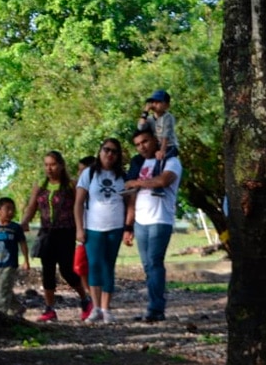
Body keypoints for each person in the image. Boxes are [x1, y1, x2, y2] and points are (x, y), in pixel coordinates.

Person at [22, 151, 94, 322]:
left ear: (61, 166)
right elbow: (32, 207)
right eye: (46, 165)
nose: (49, 168)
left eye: (53, 164)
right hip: (47, 233)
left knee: (67, 270)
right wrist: (24, 222)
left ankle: (85, 300)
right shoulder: (40, 186)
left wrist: (82, 229)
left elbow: (81, 207)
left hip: (66, 232)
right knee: (47, 271)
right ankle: (49, 309)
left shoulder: (71, 186)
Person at [124, 129, 183, 322]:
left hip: (160, 219)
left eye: (145, 141)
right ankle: (152, 305)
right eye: (138, 144)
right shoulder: (139, 164)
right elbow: (131, 195)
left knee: (155, 262)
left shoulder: (170, 161)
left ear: (155, 141)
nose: (142, 147)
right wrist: (128, 225)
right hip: (141, 221)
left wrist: (138, 183)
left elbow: (163, 180)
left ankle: (156, 308)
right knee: (147, 265)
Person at [75, 138, 131, 324]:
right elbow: (78, 203)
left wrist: (128, 228)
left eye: (114, 151)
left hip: (115, 227)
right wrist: (79, 228)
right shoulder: (89, 174)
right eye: (106, 150)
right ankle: (95, 307)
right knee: (94, 265)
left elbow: (129, 202)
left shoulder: (122, 176)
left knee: (109, 266)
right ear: (100, 152)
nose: (110, 154)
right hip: (93, 227)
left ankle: (107, 309)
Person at [0, 197, 30, 315]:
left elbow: (23, 244)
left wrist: (26, 260)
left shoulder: (15, 228)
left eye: (13, 210)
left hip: (10, 264)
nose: (10, 212)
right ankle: (18, 307)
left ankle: (1, 313)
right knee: (5, 288)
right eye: (7, 209)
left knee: (1, 290)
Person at [137, 89, 178, 196]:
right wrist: (145, 111)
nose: (155, 104)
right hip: (158, 147)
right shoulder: (150, 119)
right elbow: (140, 127)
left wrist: (162, 151)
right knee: (152, 163)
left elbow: (166, 135)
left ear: (166, 105)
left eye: (159, 102)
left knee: (160, 162)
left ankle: (159, 189)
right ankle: (152, 186)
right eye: (153, 102)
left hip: (169, 146)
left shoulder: (168, 117)